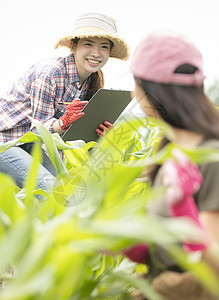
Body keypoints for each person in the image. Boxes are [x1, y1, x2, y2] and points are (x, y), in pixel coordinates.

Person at [124, 31, 219, 299]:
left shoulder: (211, 158)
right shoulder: (168, 152)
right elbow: (169, 253)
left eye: (136, 83)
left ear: (148, 90)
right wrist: (130, 246)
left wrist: (185, 213)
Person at [0, 12, 129, 193]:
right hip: (7, 141)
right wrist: (64, 122)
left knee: (68, 195)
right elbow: (38, 131)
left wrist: (101, 136)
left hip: (32, 145)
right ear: (73, 46)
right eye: (88, 44)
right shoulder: (49, 74)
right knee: (51, 193)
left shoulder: (91, 82)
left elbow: (68, 139)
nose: (96, 53)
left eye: (104, 47)